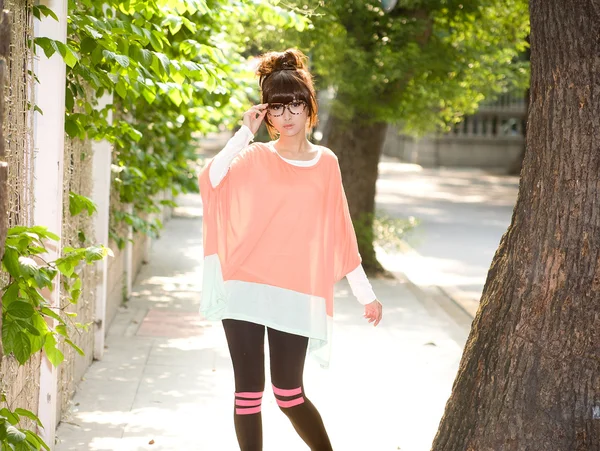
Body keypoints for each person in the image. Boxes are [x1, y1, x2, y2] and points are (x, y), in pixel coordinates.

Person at [198, 48, 383, 451]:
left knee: (289, 393)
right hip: (244, 286)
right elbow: (210, 180)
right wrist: (244, 132)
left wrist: (364, 293)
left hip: (296, 292)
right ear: (267, 114)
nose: (287, 115)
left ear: (309, 107)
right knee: (248, 392)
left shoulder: (326, 162)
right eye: (277, 107)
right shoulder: (253, 156)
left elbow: (341, 228)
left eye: (295, 104)